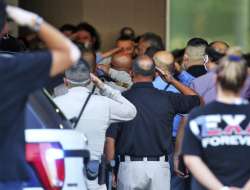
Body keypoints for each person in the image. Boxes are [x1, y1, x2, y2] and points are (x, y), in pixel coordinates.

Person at [0, 3, 81, 190]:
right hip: (6, 176)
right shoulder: (12, 69)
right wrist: (31, 20)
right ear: (5, 29)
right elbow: (70, 53)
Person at [105, 55, 201, 190]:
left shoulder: (121, 100)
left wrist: (111, 170)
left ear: (131, 73)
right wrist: (172, 80)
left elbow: (110, 139)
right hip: (159, 167)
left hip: (129, 167)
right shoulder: (168, 98)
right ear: (156, 74)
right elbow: (197, 101)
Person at [53, 60, 137, 190]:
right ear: (90, 80)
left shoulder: (54, 104)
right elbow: (131, 111)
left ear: (65, 81)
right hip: (93, 176)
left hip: (64, 174)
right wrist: (103, 86)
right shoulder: (103, 103)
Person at [182, 50, 250, 190]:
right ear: (244, 82)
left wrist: (221, 189)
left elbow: (191, 159)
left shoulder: (198, 117)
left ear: (215, 79)